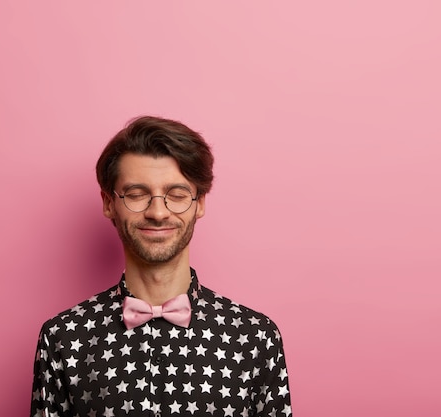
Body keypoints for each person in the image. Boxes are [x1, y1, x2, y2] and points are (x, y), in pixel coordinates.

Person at [30, 116, 292, 417]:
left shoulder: (256, 339)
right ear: (108, 202)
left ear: (200, 202)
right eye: (137, 194)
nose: (157, 212)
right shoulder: (63, 338)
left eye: (177, 195)